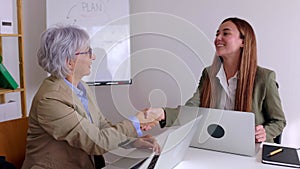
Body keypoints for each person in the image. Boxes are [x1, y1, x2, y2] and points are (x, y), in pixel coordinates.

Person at [22, 25, 160, 169]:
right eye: (88, 52)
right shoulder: (51, 100)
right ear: (69, 61)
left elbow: (102, 126)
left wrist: (132, 141)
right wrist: (137, 122)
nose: (93, 57)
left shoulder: (81, 86)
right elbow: (96, 142)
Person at [144, 17, 286, 143]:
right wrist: (162, 113)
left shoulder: (264, 77)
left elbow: (279, 121)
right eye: (217, 34)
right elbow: (193, 109)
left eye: (225, 33)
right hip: (217, 144)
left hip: (252, 148)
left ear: (243, 41)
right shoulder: (209, 74)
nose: (218, 38)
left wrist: (264, 132)